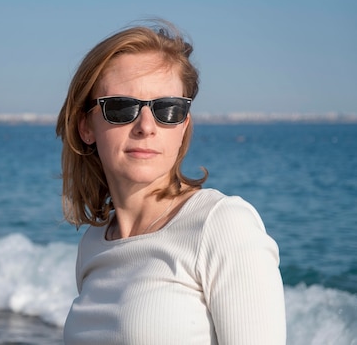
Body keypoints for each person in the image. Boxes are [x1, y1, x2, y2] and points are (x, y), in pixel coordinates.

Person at [57, 19, 286, 344]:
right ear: (86, 127)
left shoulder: (222, 225)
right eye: (121, 108)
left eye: (168, 109)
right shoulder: (94, 243)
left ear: (183, 125)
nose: (146, 126)